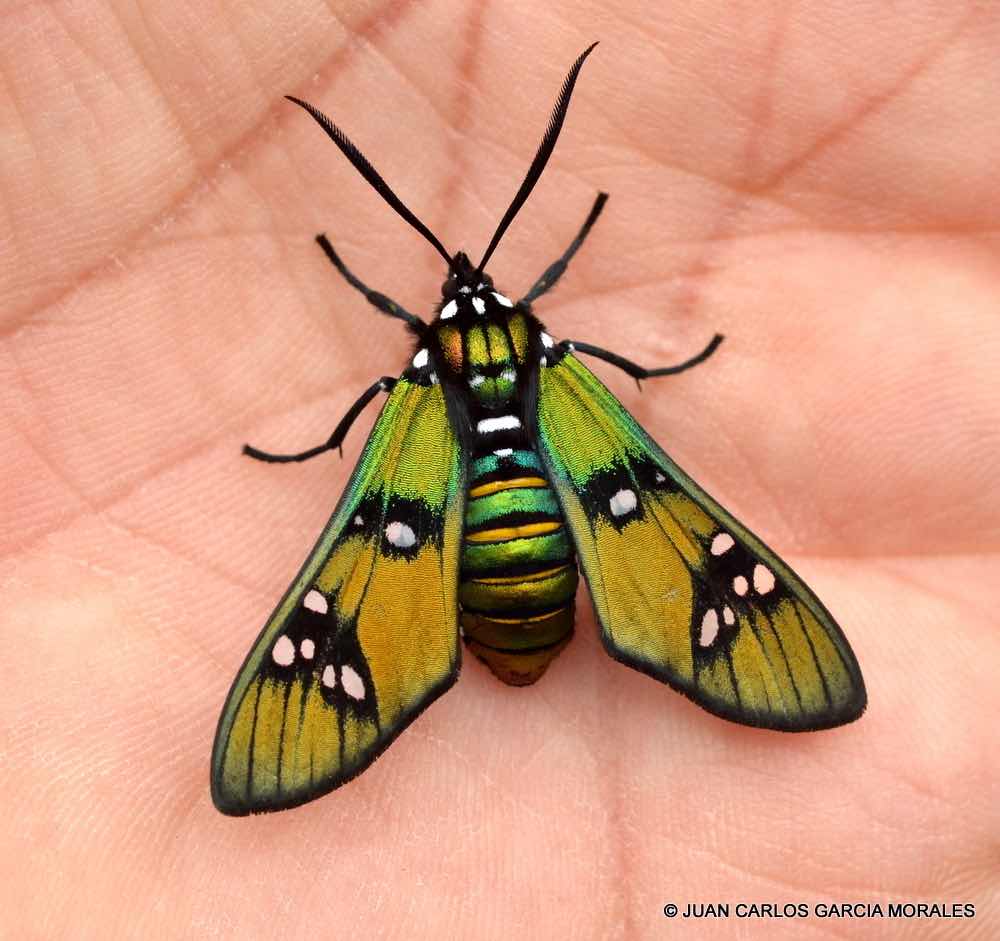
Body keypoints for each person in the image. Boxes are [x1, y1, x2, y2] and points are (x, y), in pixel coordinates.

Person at [2, 6, 996, 936]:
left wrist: (346, 405)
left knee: (361, 562)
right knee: (664, 522)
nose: (466, 292)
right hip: (526, 524)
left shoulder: (418, 376)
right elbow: (539, 340)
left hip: (445, 496)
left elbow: (398, 369)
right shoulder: (543, 358)